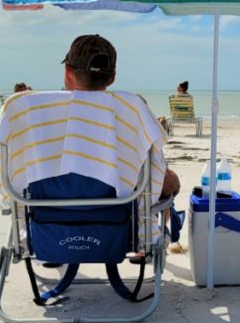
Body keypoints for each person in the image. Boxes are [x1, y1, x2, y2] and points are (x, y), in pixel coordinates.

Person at [60, 34, 182, 260]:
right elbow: (155, 176)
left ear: (68, 72)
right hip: (121, 228)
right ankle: (144, 251)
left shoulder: (36, 115)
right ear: (112, 77)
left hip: (52, 227)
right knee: (170, 183)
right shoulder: (132, 111)